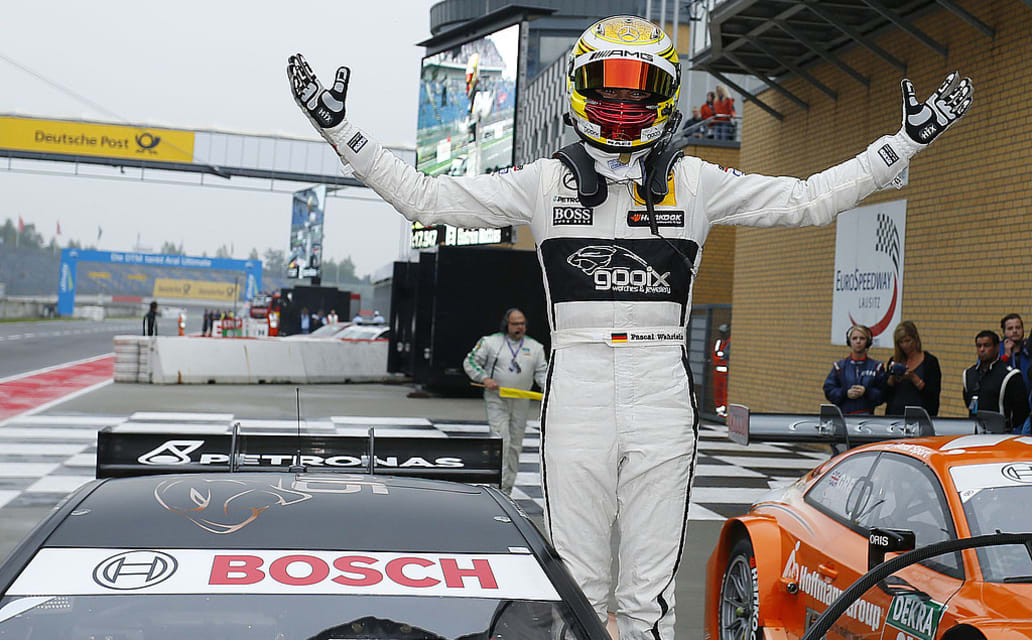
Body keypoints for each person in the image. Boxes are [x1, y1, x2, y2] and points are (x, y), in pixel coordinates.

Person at [287, 17, 971, 637]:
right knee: (578, 588)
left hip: (660, 387)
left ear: (666, 95)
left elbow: (808, 200)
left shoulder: (695, 181)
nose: (620, 104)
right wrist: (341, 131)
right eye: (606, 87)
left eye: (637, 89)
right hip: (578, 384)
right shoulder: (544, 180)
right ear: (580, 91)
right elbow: (426, 197)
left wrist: (904, 143)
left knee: (648, 601)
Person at [463, 308, 548, 495]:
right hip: (497, 399)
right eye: (515, 324)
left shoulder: (536, 347)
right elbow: (470, 362)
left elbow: (542, 373)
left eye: (522, 324)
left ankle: (507, 489)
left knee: (515, 445)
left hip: (521, 401)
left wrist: (548, 389)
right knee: (501, 441)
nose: (520, 327)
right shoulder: (490, 342)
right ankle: (496, 488)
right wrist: (484, 378)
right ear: (506, 325)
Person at [963, 330, 1029, 432]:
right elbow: (968, 401)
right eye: (979, 346)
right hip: (974, 431)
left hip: (1001, 433)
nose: (982, 349)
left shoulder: (1010, 375)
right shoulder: (969, 374)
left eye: (987, 345)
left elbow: (1021, 410)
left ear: (997, 347)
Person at [823, 325, 885, 414]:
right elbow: (829, 390)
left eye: (862, 338)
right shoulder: (839, 367)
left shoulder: (877, 367)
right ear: (849, 342)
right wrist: (845, 393)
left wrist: (866, 392)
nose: (858, 341)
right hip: (844, 416)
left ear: (868, 342)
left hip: (867, 417)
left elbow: (883, 395)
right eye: (854, 338)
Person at [884, 320, 942, 416]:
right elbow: (885, 395)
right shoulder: (894, 361)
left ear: (915, 339)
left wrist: (914, 378)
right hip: (895, 414)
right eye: (901, 342)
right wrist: (891, 378)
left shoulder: (930, 362)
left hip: (920, 415)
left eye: (908, 341)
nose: (905, 345)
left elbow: (933, 395)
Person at [999, 313, 1030, 386]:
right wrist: (1006, 356)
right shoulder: (995, 350)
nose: (1015, 331)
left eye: (1018, 328)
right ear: (1004, 332)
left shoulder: (1029, 349)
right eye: (1010, 328)